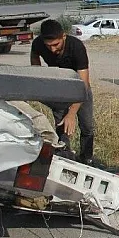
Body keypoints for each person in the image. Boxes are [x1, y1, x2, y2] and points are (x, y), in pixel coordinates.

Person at [30, 19, 96, 165]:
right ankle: (66, 158)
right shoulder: (38, 43)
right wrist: (39, 78)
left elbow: (83, 85)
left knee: (87, 126)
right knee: (61, 125)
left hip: (80, 87)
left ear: (64, 36)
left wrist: (71, 114)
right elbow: (34, 59)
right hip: (59, 87)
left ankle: (87, 159)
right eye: (49, 46)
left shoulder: (76, 47)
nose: (52, 50)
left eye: (56, 45)